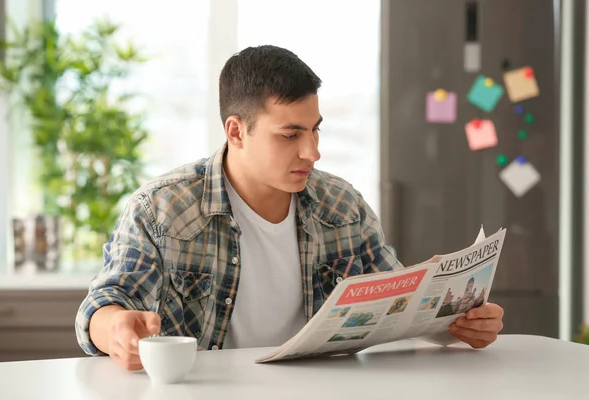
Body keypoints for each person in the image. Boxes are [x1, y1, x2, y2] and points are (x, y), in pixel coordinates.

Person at [75, 45, 504, 371]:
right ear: (237, 131)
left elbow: (399, 301)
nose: (312, 152)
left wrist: (458, 322)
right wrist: (114, 329)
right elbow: (104, 303)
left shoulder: (343, 205)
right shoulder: (161, 209)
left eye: (315, 131)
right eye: (290, 135)